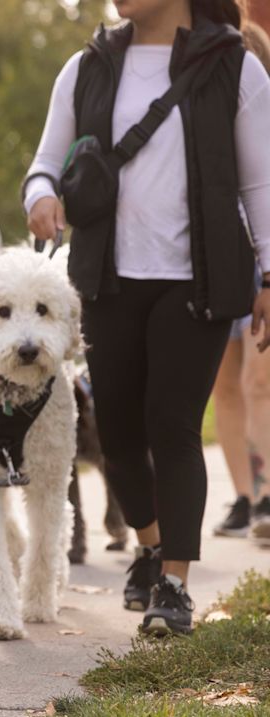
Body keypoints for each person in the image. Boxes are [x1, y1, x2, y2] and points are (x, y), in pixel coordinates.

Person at [25, 0, 270, 634]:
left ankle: (174, 586)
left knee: (174, 424)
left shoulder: (234, 67)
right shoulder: (88, 66)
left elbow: (261, 184)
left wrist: (268, 271)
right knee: (120, 432)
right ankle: (150, 543)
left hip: (199, 278)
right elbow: (44, 161)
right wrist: (42, 195)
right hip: (107, 277)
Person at [209, 20, 270, 545]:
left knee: (259, 382)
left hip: (262, 263)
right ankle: (245, 496)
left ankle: (268, 493)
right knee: (223, 386)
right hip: (217, 259)